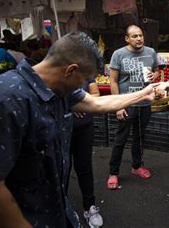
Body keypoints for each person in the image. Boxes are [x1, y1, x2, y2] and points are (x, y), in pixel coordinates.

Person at [0, 31, 169, 228]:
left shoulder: (56, 90)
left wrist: (145, 93)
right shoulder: (4, 101)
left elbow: (97, 104)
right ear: (70, 71)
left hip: (54, 212)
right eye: (83, 80)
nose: (84, 86)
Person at [107, 24, 158, 190]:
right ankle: (113, 173)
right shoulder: (119, 54)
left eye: (141, 35)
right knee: (121, 138)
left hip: (144, 102)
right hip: (127, 104)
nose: (139, 39)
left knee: (140, 137)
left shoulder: (150, 52)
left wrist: (154, 75)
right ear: (127, 39)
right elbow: (113, 81)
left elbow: (157, 71)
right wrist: (118, 105)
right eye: (134, 36)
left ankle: (137, 166)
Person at [67, 79, 103, 228]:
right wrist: (70, 105)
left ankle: (90, 207)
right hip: (61, 128)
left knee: (84, 167)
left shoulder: (85, 72)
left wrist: (82, 104)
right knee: (61, 168)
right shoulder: (56, 68)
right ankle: (61, 207)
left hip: (84, 128)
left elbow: (95, 93)